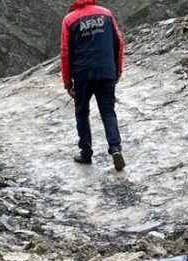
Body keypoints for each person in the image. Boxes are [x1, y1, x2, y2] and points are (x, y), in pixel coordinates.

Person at [60, 0, 125, 171]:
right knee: (108, 112)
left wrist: (67, 82)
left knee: (82, 112)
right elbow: (119, 42)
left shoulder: (69, 19)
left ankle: (86, 153)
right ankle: (115, 148)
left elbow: (65, 52)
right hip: (106, 71)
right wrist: (117, 70)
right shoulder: (106, 13)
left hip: (82, 74)